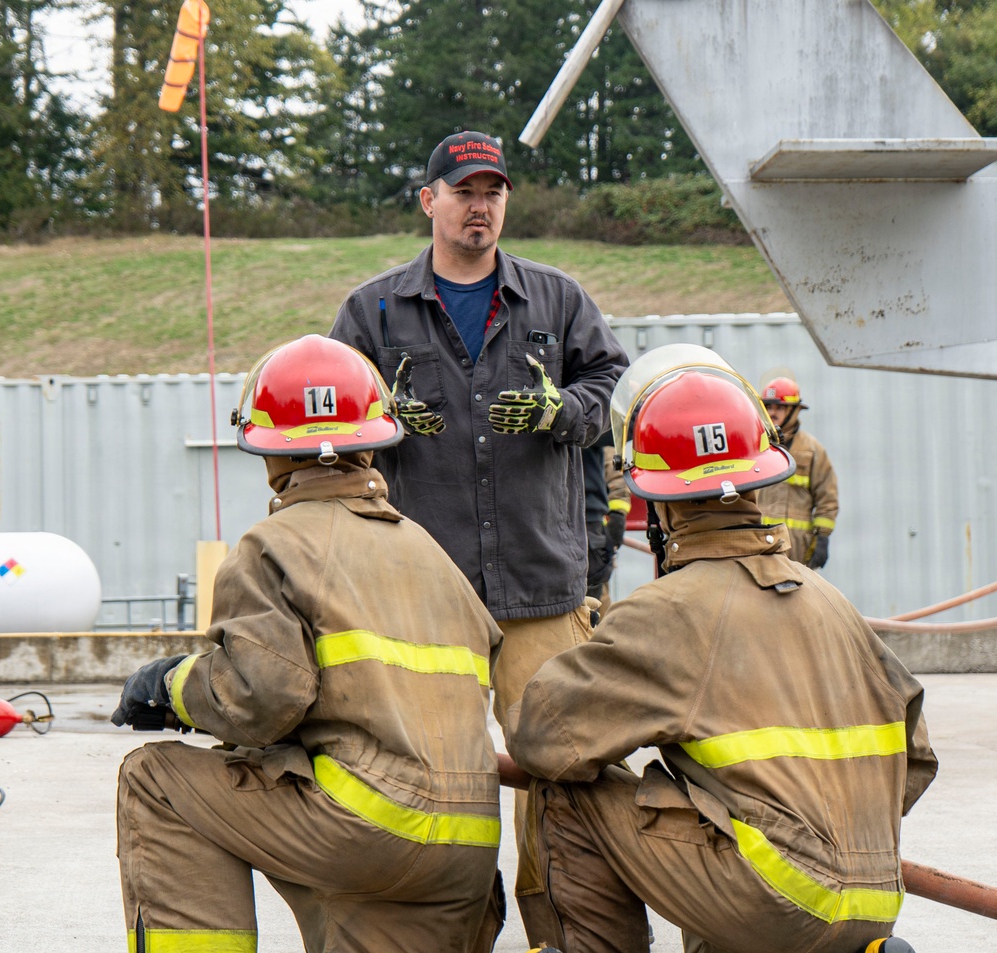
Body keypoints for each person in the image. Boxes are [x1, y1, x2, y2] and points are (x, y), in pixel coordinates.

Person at [505, 345, 936, 953]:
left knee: (567, 787)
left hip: (778, 904)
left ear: (659, 502)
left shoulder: (666, 612)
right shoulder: (835, 604)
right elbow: (916, 759)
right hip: (877, 902)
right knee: (725, 816)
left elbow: (542, 738)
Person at [111, 335, 504, 953]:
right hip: (468, 848)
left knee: (155, 779)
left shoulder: (272, 546)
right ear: (372, 442)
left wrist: (170, 684)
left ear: (270, 454)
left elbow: (262, 698)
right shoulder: (432, 553)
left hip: (366, 828)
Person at [329, 129, 629, 936]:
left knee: (560, 769)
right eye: (464, 191)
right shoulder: (374, 310)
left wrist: (565, 410)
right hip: (422, 596)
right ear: (429, 200)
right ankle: (452, 932)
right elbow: (331, 417)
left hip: (541, 586)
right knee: (433, 775)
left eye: (493, 192)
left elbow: (609, 381)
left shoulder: (557, 301)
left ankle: (557, 934)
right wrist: (381, 419)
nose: (480, 206)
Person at [756, 375, 838, 569]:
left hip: (798, 548)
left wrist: (823, 537)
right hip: (759, 545)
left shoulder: (812, 450)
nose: (772, 412)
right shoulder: (756, 446)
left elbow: (827, 498)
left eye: (779, 407)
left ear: (795, 410)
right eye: (768, 407)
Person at [584, 432, 631, 617]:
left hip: (590, 539)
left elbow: (613, 467)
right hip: (586, 538)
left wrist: (617, 516)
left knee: (596, 610)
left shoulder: (589, 426)